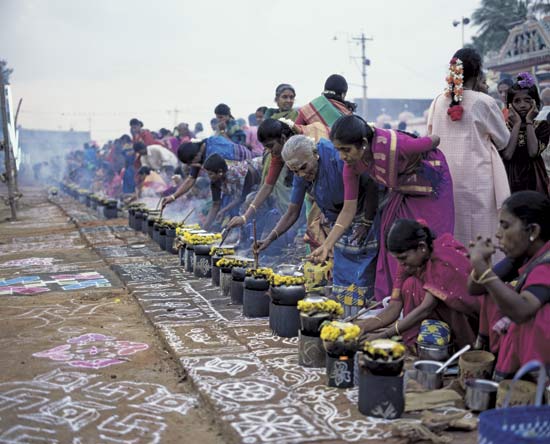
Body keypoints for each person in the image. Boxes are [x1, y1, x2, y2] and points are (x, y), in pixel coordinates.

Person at [326, 115, 452, 302]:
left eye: (346, 150)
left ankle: (430, 300)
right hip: (401, 188)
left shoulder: (398, 146)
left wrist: (417, 154)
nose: (342, 156)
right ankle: (395, 301)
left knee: (428, 243)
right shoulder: (350, 166)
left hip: (430, 185)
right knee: (393, 243)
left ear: (362, 143)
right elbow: (348, 209)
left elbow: (435, 140)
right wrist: (327, 244)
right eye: (338, 150)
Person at [255, 135, 379, 315]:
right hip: (339, 222)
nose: (302, 175)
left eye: (304, 168)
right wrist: (269, 239)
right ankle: (348, 321)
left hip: (364, 214)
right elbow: (292, 212)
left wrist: (367, 221)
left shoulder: (336, 158)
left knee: (363, 275)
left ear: (315, 153)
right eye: (295, 171)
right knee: (343, 275)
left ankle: (365, 322)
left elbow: (371, 184)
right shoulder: (300, 170)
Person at [428, 48, 511, 250]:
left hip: (445, 179)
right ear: (477, 73)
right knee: (481, 228)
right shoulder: (484, 101)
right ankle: (484, 275)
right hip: (478, 180)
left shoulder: (438, 101)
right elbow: (503, 140)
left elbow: (429, 138)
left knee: (452, 227)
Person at [359, 219, 479, 349]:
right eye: (397, 259)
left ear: (422, 247)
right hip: (433, 318)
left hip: (467, 320)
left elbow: (426, 308)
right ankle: (419, 343)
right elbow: (395, 304)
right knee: (410, 285)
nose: (401, 264)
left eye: (403, 258)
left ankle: (454, 347)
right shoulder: (408, 261)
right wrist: (363, 327)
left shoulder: (443, 262)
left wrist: (384, 335)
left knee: (412, 286)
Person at [467, 191, 550, 379]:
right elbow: (475, 289)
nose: (498, 234)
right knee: (494, 291)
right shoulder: (523, 256)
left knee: (529, 314)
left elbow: (522, 311)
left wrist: (484, 270)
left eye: (505, 226)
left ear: (533, 231)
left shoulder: (546, 263)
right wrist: (481, 266)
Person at [226, 119, 295, 229]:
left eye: (271, 146)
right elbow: (267, 186)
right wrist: (244, 217)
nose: (269, 151)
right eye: (266, 147)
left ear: (283, 138)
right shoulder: (277, 155)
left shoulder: (300, 148)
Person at [161, 136, 254, 208]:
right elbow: (191, 179)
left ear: (196, 156)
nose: (191, 166)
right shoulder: (197, 152)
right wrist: (173, 197)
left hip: (243, 167)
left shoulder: (213, 153)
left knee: (236, 200)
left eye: (191, 163)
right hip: (227, 173)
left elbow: (224, 173)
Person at [501, 72, 550, 196]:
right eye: (517, 101)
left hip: (535, 178)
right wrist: (517, 124)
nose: (522, 105)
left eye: (527, 100)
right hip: (511, 179)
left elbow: (533, 152)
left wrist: (528, 122)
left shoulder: (542, 126)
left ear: (535, 103)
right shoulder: (505, 127)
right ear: (510, 105)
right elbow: (507, 154)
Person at [202, 153, 262, 230]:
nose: (209, 177)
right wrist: (204, 229)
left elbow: (242, 198)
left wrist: (224, 210)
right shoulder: (215, 181)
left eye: (210, 174)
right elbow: (216, 204)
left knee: (247, 203)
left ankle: (247, 235)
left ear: (220, 172)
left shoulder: (238, 173)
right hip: (248, 185)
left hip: (259, 173)